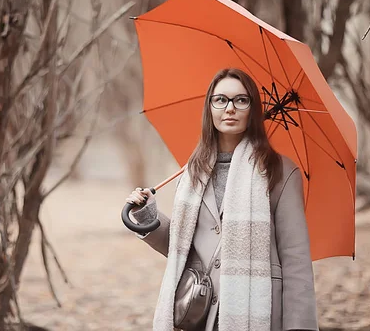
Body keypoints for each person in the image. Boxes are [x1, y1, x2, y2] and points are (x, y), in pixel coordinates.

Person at [126, 68, 318, 331]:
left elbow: (296, 260)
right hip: (199, 312)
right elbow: (182, 247)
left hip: (257, 311)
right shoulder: (192, 172)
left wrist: (299, 327)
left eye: (241, 100)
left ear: (252, 108)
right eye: (220, 100)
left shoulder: (280, 172)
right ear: (210, 108)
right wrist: (147, 216)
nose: (230, 108)